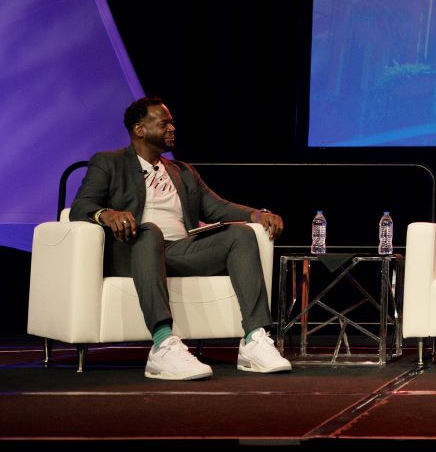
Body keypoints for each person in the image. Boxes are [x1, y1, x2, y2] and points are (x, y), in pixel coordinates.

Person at [69, 96, 291, 381]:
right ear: (139, 129)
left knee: (241, 235)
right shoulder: (109, 162)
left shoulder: (181, 170)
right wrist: (107, 214)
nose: (172, 128)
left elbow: (216, 207)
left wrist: (256, 214)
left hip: (180, 252)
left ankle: (255, 339)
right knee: (150, 231)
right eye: (164, 123)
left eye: (172, 123)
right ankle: (163, 345)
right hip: (136, 251)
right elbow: (81, 207)